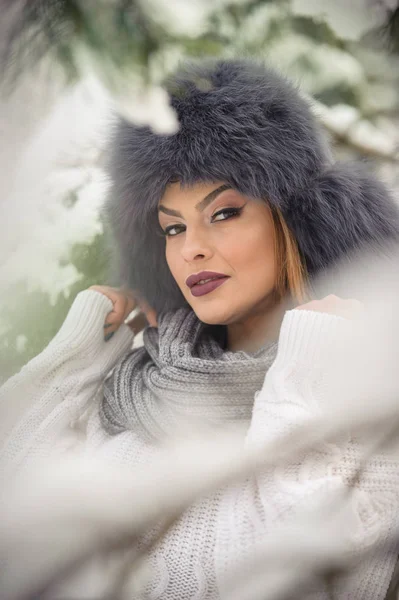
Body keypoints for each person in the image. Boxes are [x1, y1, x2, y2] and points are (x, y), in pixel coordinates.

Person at [1, 58, 399, 600]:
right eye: (172, 226)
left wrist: (309, 377)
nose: (192, 249)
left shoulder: (363, 407)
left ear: (298, 216)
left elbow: (289, 579)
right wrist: (74, 361)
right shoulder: (134, 387)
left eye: (224, 213)